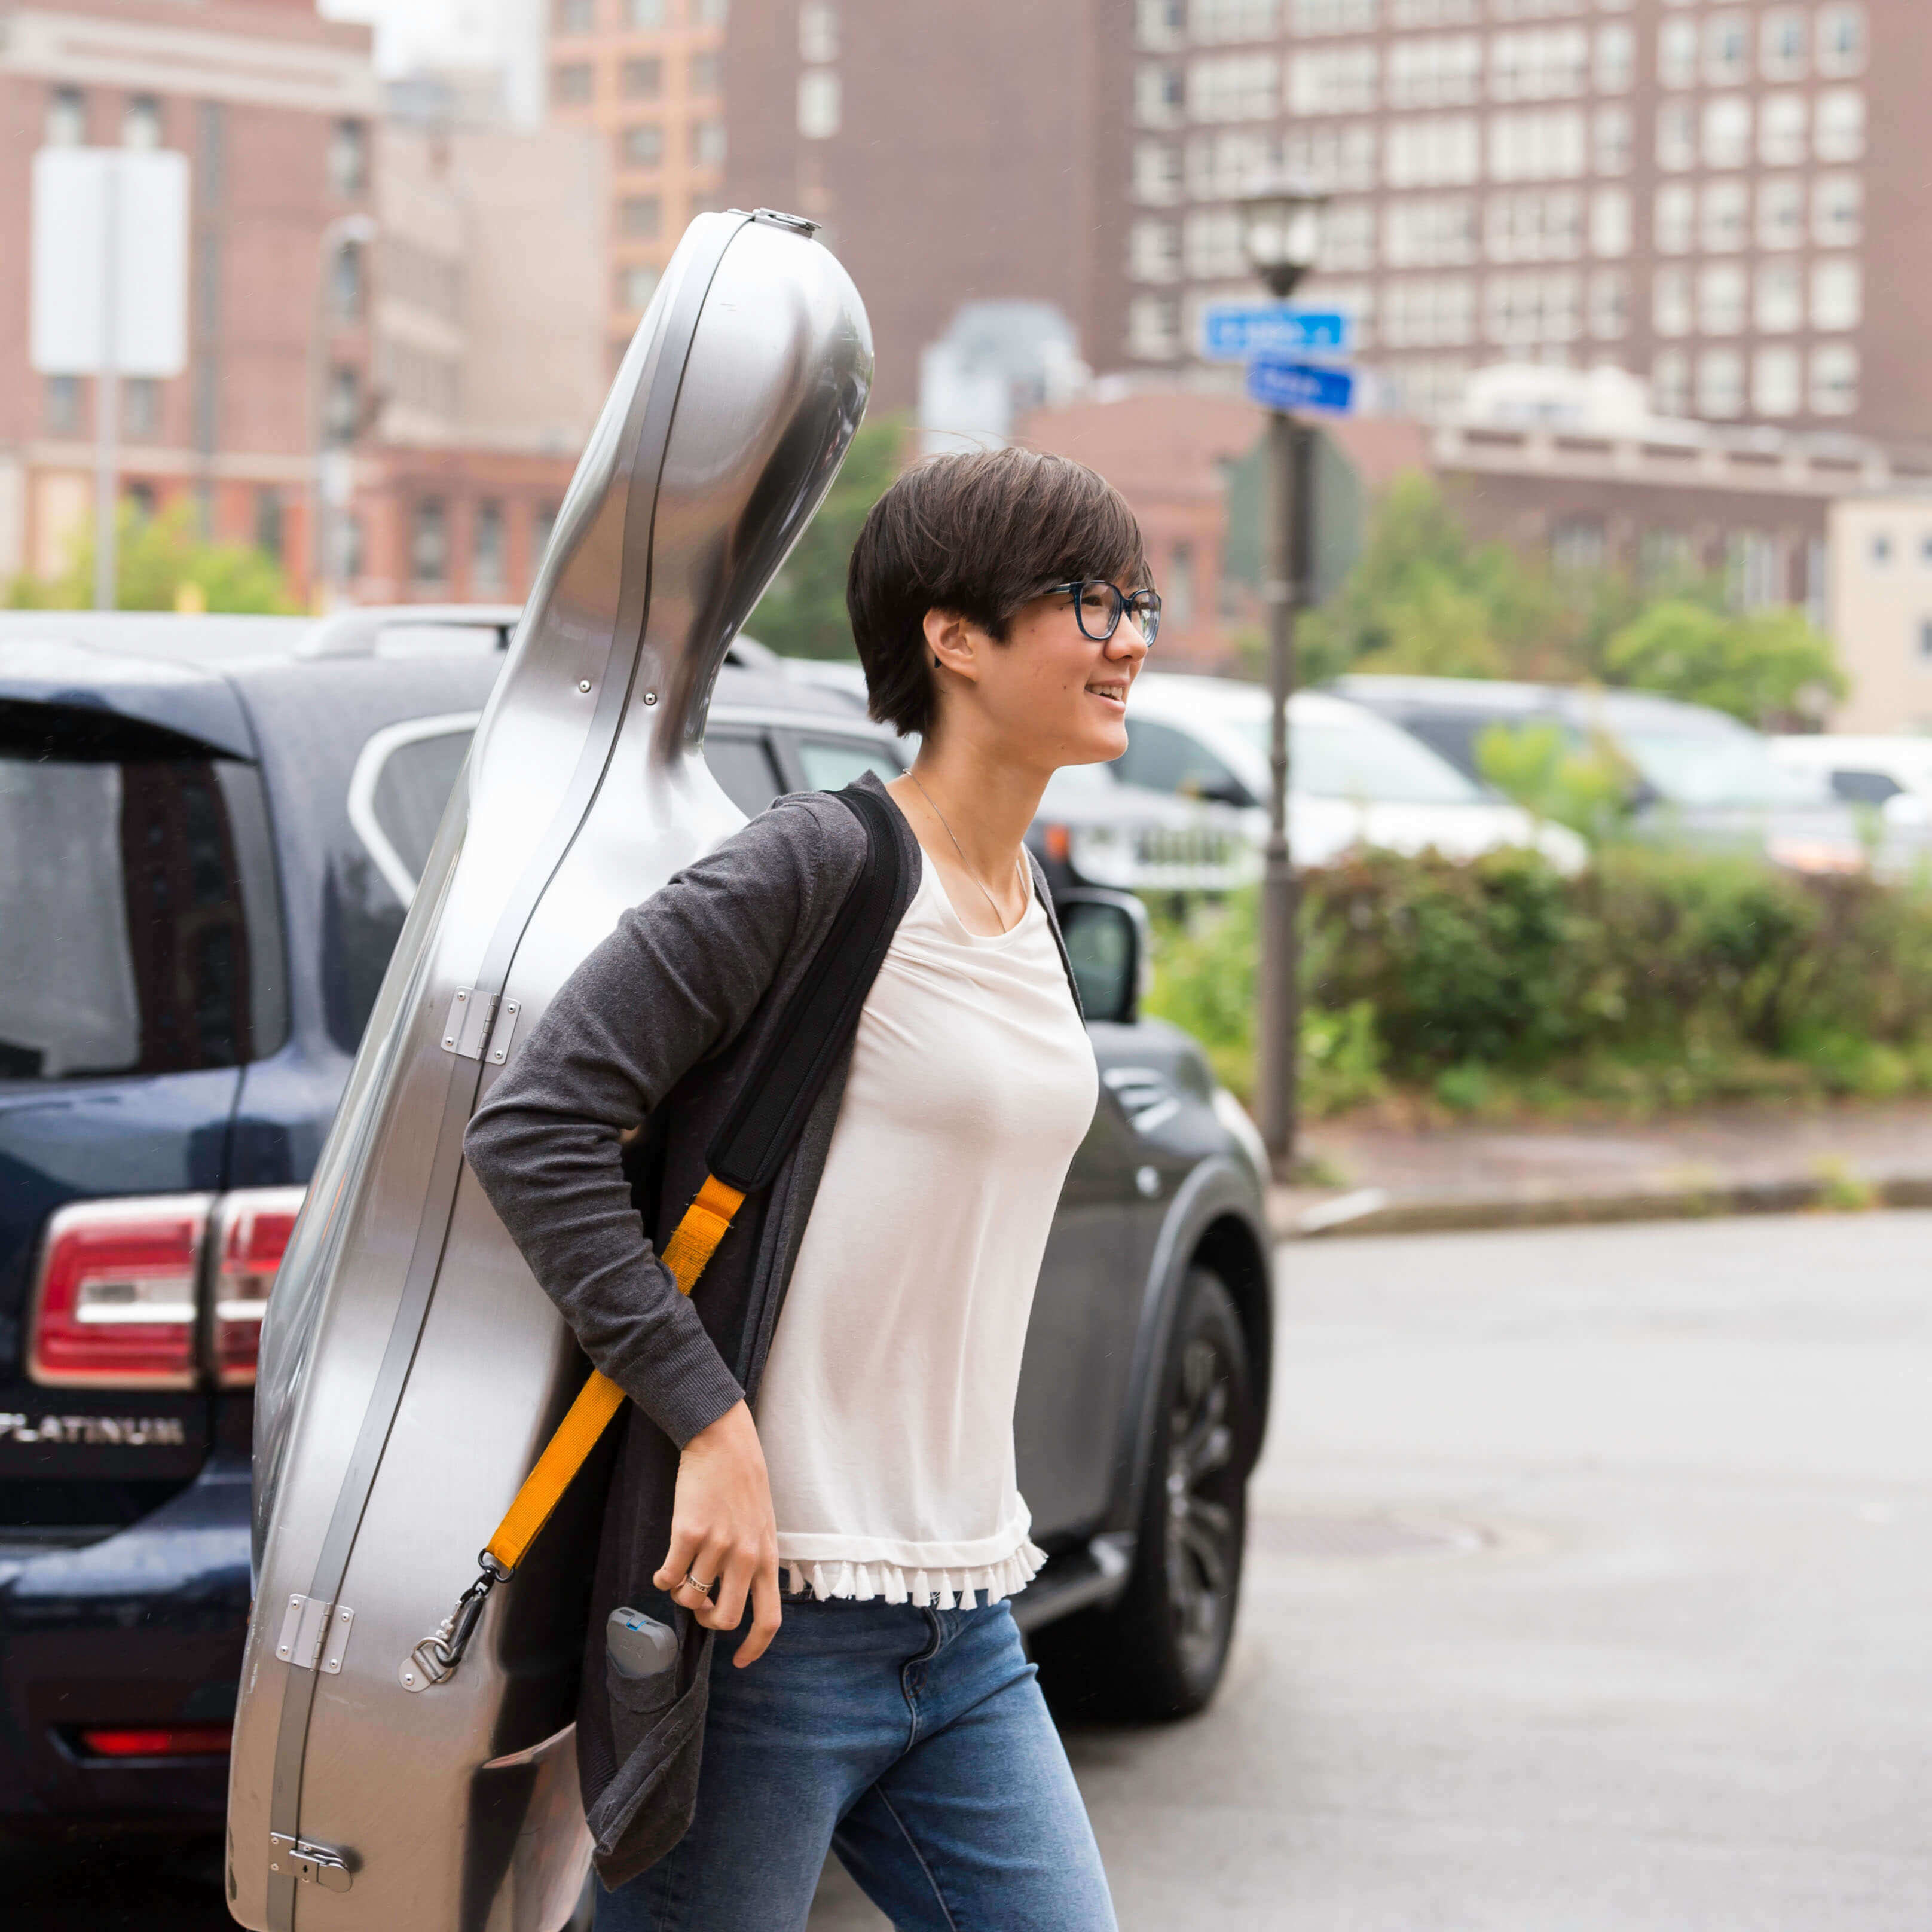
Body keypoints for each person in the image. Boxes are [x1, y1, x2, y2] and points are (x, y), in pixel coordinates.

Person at [463, 446, 1159, 1931]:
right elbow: (538, 1122)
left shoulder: (1030, 900)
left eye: (1135, 598)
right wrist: (706, 1418)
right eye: (1083, 599)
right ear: (951, 636)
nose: (1126, 636)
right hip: (767, 1617)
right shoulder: (818, 868)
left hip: (966, 1611)